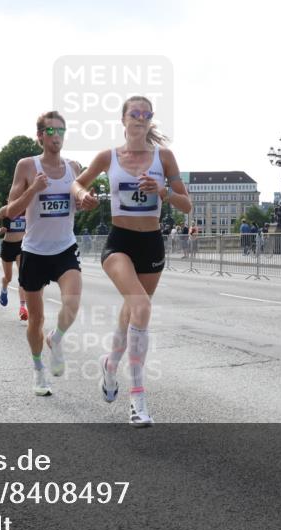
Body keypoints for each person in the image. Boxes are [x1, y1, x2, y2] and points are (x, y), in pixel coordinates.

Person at [71, 95, 191, 426]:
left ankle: (110, 366)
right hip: (119, 242)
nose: (140, 117)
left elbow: (187, 206)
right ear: (123, 120)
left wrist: (163, 191)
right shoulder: (108, 157)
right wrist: (84, 197)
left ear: (150, 120)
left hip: (151, 244)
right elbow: (77, 183)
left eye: (146, 114)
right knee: (141, 308)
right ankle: (137, 398)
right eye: (134, 113)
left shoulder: (163, 158)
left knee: (131, 314)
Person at [5, 110, 97, 396]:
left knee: (72, 302)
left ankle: (56, 339)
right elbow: (11, 211)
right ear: (40, 136)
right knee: (36, 319)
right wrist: (34, 188)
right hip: (33, 251)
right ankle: (38, 370)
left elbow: (77, 197)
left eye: (61, 130)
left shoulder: (73, 166)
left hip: (64, 248)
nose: (56, 136)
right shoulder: (27, 166)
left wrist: (85, 202)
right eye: (51, 131)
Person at [0, 205, 28, 320]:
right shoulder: (5, 210)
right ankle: (4, 287)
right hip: (8, 246)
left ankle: (22, 307)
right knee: (8, 277)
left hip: (22, 245)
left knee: (23, 276)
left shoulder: (26, 207)